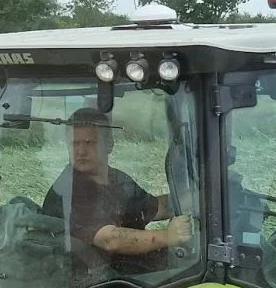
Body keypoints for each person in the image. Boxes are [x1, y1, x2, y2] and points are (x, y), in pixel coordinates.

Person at [41, 107, 192, 270]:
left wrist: (195, 199)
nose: (81, 151)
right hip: (100, 283)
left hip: (127, 270)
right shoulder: (69, 189)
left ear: (110, 144)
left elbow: (155, 208)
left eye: (89, 143)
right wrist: (168, 236)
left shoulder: (116, 179)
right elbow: (110, 240)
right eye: (74, 144)